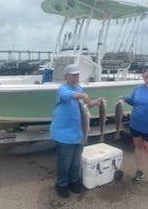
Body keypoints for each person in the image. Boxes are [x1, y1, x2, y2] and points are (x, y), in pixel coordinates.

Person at [50, 64, 104, 198]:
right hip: (63, 134)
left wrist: (95, 102)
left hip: (79, 133)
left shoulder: (80, 89)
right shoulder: (62, 89)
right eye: (73, 75)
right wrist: (81, 95)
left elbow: (88, 103)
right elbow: (68, 95)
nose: (76, 78)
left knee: (76, 161)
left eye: (77, 75)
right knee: (65, 161)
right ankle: (61, 184)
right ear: (66, 77)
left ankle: (74, 181)